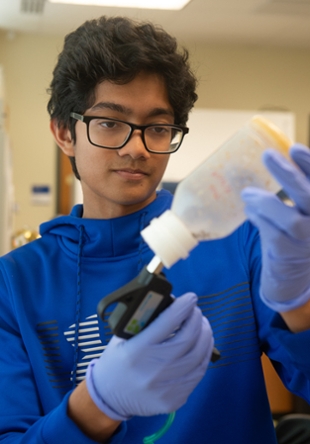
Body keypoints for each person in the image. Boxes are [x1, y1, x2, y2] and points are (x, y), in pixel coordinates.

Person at [0, 15, 310, 444]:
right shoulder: (16, 283)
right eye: (110, 122)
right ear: (64, 133)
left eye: (158, 128)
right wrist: (98, 403)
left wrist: (301, 305)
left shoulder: (241, 239)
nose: (137, 147)